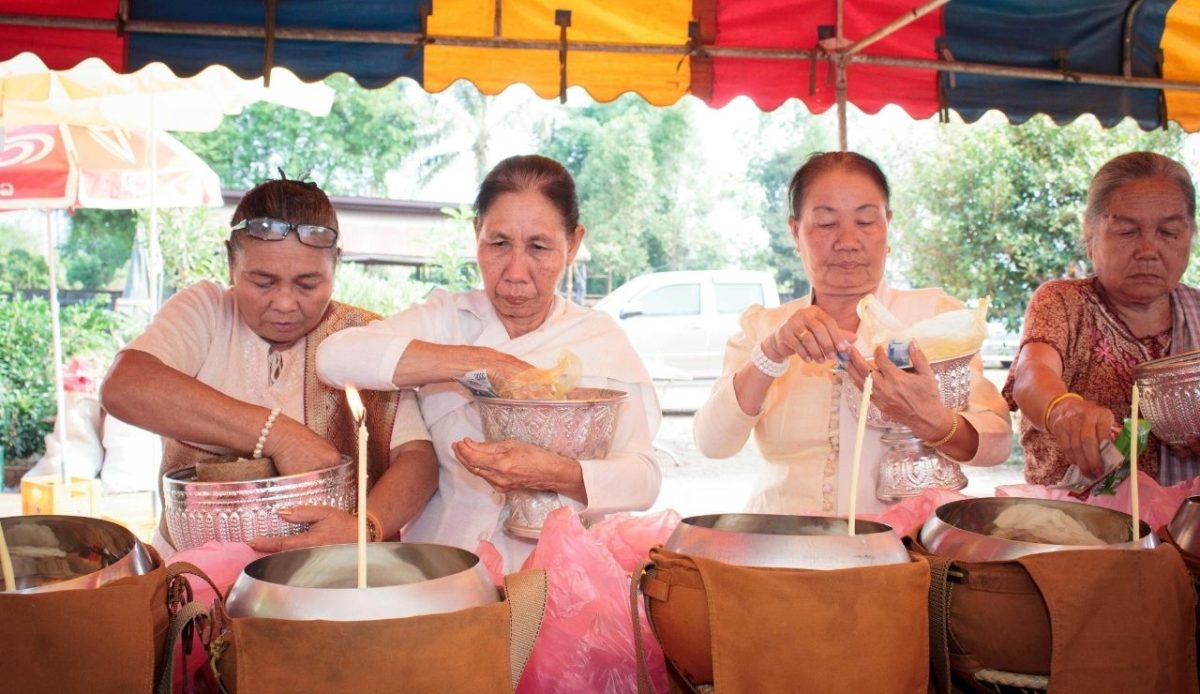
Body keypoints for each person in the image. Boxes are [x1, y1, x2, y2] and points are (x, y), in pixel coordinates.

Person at [317, 154, 661, 569]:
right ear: (476, 232)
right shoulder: (446, 320)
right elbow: (334, 357)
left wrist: (556, 473)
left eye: (539, 247)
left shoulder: (597, 339)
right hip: (446, 569)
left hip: (561, 580)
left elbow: (643, 478)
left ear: (574, 243)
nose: (515, 272)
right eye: (498, 244)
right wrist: (478, 362)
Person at [100, 178, 437, 553]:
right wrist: (277, 435)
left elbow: (417, 458)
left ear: (336, 266)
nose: (284, 303)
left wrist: (365, 528)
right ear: (231, 264)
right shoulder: (206, 313)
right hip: (193, 583)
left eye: (308, 284)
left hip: (324, 580)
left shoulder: (361, 337)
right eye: (262, 282)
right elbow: (123, 386)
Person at [693, 151, 1011, 515]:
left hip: (905, 550)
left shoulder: (934, 316)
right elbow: (713, 443)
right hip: (782, 546)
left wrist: (935, 422)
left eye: (865, 221)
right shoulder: (764, 327)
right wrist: (773, 352)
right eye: (827, 224)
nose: (847, 240)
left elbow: (997, 443)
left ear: (888, 225)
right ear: (795, 231)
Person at [1004, 151, 1200, 486]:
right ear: (1090, 234)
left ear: (1190, 235)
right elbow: (1031, 375)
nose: (1149, 249)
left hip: (1187, 532)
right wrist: (1064, 409)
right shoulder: (1064, 302)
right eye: (1127, 231)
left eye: (1168, 232)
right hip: (1075, 529)